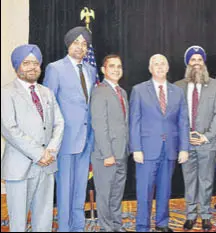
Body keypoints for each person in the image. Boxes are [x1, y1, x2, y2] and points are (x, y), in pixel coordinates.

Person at [1, 44, 64, 232]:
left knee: (44, 218)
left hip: (46, 166)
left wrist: (51, 151)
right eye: (26, 63)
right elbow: (9, 129)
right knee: (18, 222)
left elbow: (59, 123)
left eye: (36, 63)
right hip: (20, 167)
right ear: (17, 66)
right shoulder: (6, 92)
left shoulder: (47, 93)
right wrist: (39, 154)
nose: (32, 67)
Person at [43, 26, 97, 232]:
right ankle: (65, 228)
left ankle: (78, 227)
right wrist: (50, 142)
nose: (80, 47)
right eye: (76, 43)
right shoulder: (55, 69)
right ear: (68, 44)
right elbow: (49, 107)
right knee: (65, 190)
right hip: (64, 141)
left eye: (84, 44)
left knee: (79, 189)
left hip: (86, 140)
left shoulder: (91, 70)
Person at [129, 54, 189, 232]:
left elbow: (183, 122)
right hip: (146, 150)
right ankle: (142, 226)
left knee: (165, 189)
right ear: (150, 68)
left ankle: (162, 223)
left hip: (170, 149)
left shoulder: (177, 91)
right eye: (156, 64)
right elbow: (134, 121)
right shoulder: (139, 90)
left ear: (168, 67)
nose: (160, 66)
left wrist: (184, 148)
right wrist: (136, 148)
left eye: (163, 63)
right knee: (144, 191)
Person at [174, 45, 216, 231]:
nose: (196, 63)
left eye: (199, 60)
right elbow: (175, 116)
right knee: (189, 180)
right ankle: (190, 215)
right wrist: (184, 136)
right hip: (186, 143)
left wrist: (206, 137)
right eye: (192, 60)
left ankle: (205, 215)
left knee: (206, 181)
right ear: (188, 63)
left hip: (205, 143)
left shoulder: (215, 86)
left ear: (204, 63)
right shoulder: (178, 86)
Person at [90, 55, 129, 232]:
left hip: (122, 153)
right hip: (106, 155)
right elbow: (99, 125)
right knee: (105, 196)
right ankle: (106, 228)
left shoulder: (122, 92)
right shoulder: (99, 91)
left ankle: (116, 226)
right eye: (111, 66)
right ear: (103, 70)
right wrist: (107, 154)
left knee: (116, 195)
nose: (116, 69)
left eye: (119, 66)